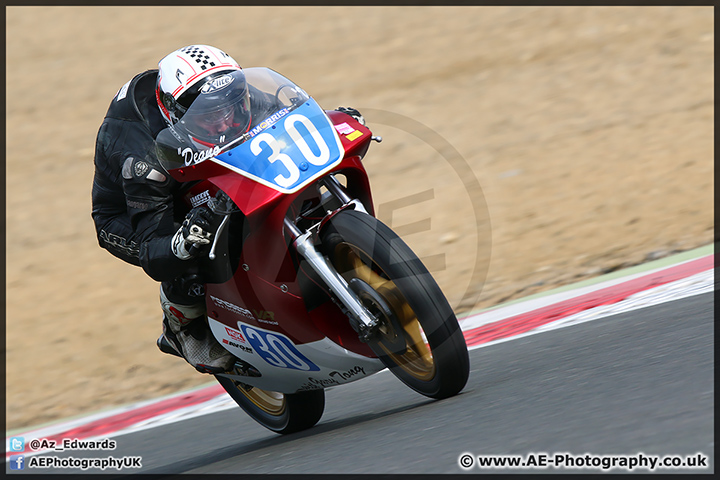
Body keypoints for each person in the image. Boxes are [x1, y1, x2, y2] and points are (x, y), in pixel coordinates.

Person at [91, 44, 364, 374]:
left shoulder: (238, 98)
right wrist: (181, 242)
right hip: (128, 214)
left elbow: (288, 123)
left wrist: (329, 127)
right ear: (176, 113)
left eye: (231, 106)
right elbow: (153, 247)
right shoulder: (142, 158)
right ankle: (183, 326)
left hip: (192, 167)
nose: (223, 124)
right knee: (192, 250)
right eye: (207, 116)